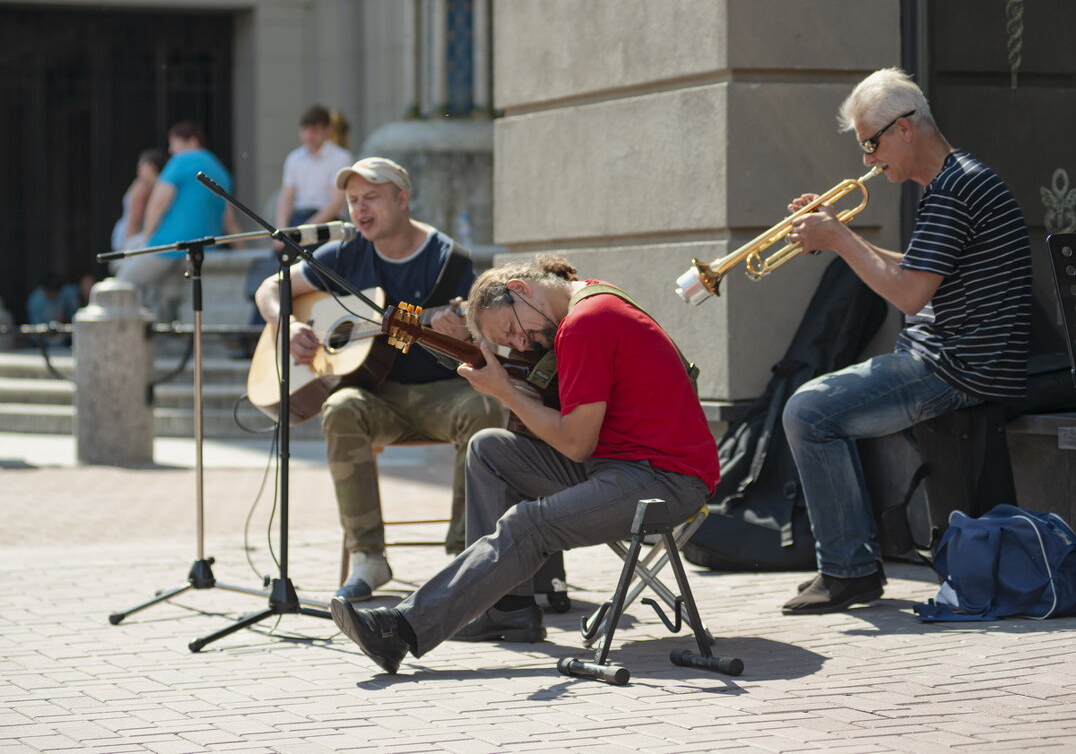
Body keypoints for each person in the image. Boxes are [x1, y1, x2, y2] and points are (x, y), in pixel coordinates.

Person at [328, 254, 720, 674]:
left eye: (514, 329)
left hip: (665, 479)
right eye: (511, 342)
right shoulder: (586, 300)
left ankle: (401, 631)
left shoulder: (586, 322)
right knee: (489, 448)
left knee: (527, 524)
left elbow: (575, 443)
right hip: (619, 464)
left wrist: (507, 393)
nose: (523, 343)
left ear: (520, 289)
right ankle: (505, 610)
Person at [778, 68, 1032, 615]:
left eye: (871, 143)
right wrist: (834, 231)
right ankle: (851, 565)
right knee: (817, 406)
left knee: (807, 411)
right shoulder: (958, 181)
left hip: (956, 369)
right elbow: (920, 271)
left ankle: (848, 571)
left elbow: (910, 295)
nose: (868, 160)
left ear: (906, 128)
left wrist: (840, 238)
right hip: (956, 359)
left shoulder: (954, 189)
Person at [254, 156, 503, 601]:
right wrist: (287, 324)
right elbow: (269, 288)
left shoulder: (447, 260)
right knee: (340, 408)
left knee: (486, 407)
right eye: (352, 201)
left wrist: (460, 328)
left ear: (401, 198)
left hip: (443, 395)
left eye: (370, 198)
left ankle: (466, 558)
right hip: (377, 397)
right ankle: (369, 558)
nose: (359, 210)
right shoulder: (345, 254)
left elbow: (478, 333)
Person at [114, 120, 243, 309]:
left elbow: (158, 203)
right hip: (206, 248)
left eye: (174, 143)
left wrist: (147, 240)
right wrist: (243, 252)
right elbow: (229, 219)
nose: (171, 151)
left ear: (191, 141)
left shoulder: (182, 160)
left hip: (171, 244)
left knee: (122, 282)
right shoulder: (220, 170)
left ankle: (133, 332)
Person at [273, 105, 353, 245]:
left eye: (315, 131)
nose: (309, 136)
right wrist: (281, 231)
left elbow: (336, 203)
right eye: (305, 130)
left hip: (328, 222)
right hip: (299, 219)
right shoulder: (294, 158)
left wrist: (305, 230)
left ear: (328, 130)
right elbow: (286, 198)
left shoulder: (341, 157)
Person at [111, 148, 169, 254]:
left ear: (151, 166)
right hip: (131, 234)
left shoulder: (145, 187)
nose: (138, 169)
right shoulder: (142, 186)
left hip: (134, 233)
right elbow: (134, 219)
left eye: (141, 165)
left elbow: (135, 220)